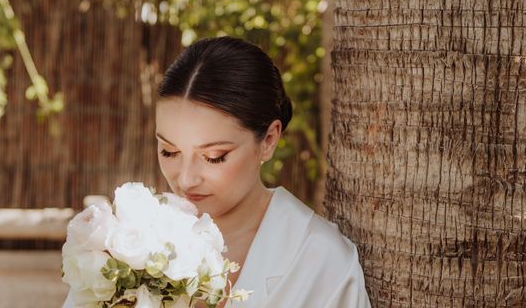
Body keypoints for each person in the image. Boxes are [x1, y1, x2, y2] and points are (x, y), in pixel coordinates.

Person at [64, 36, 370, 307]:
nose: (185, 179)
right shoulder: (124, 242)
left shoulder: (320, 259)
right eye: (169, 151)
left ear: (269, 139)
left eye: (214, 157)